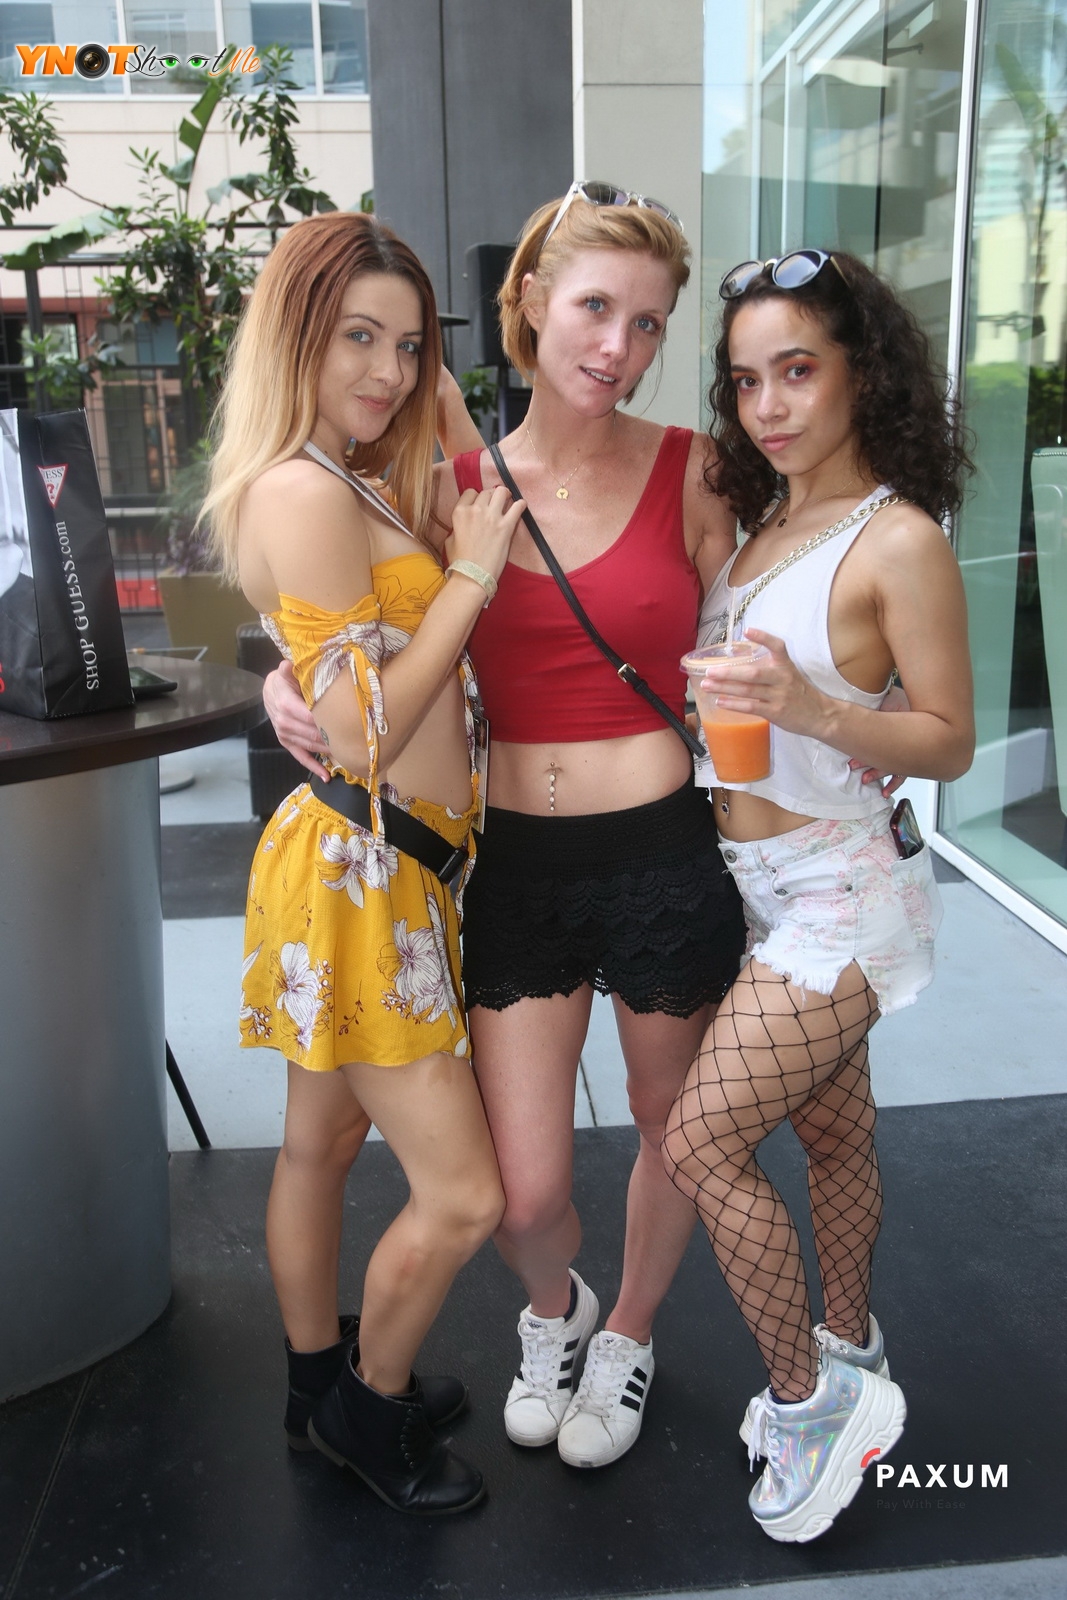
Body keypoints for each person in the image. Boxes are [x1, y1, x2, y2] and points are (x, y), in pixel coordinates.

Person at [263, 182, 748, 1470]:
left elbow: (765, 620)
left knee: (668, 1127)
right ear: (531, 303)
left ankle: (628, 1332)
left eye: (649, 323)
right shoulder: (449, 490)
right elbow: (335, 606)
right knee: (522, 1192)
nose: (618, 346)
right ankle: (555, 1310)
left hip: (662, 854)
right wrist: (274, 680)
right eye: (595, 308)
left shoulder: (692, 469)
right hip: (515, 863)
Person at [203, 210, 527, 1515]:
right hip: (364, 869)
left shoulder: (351, 473)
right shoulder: (302, 487)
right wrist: (473, 579)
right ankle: (366, 1410)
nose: (389, 371)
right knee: (464, 1197)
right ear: (297, 335)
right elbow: (361, 730)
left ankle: (310, 1388)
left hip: (391, 863)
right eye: (357, 338)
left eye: (408, 343)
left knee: (319, 1146)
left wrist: (439, 391)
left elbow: (462, 468)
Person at [660, 249, 975, 1542]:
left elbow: (949, 740)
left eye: (798, 370)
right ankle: (852, 1343)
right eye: (748, 381)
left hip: (847, 887)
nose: (771, 406)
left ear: (863, 372)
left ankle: (810, 1406)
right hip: (762, 884)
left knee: (700, 1143)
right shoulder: (760, 532)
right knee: (832, 1136)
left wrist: (812, 707)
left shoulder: (897, 538)